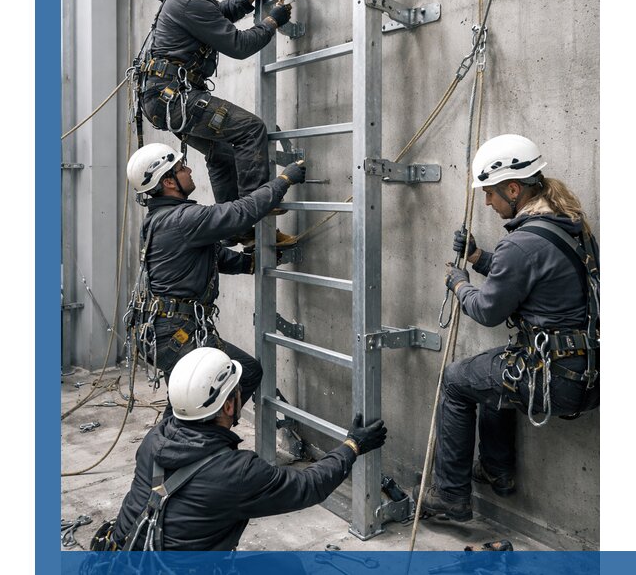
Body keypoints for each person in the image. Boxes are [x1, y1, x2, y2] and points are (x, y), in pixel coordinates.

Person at [418, 134, 599, 522]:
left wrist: (459, 284)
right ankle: (497, 472)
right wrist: (479, 256)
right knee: (486, 373)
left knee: (455, 380)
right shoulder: (570, 226)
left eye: (490, 193)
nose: (486, 201)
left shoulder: (520, 244)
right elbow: (525, 279)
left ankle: (451, 495)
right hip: (588, 372)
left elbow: (487, 310)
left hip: (555, 379)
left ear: (513, 188)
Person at [109, 347, 387, 551]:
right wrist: (353, 445)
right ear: (229, 406)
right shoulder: (236, 471)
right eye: (239, 392)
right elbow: (309, 485)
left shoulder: (154, 438)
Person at [125, 142, 306, 416]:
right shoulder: (183, 219)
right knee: (242, 375)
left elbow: (213, 257)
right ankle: (203, 447)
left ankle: (171, 451)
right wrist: (283, 180)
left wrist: (251, 262)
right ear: (169, 182)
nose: (188, 170)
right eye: (181, 168)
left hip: (162, 330)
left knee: (188, 399)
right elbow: (238, 213)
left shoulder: (159, 218)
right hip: (175, 333)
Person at [139, 0, 293, 238]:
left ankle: (240, 232)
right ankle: (257, 206)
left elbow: (216, 15)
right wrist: (271, 23)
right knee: (250, 129)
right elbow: (238, 45)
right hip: (175, 98)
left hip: (164, 99)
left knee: (220, 153)